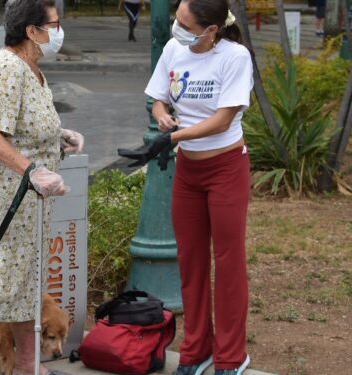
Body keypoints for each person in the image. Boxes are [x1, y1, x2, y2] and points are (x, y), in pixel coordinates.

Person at [122, 0, 254, 373]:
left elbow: (224, 119)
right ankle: (197, 350)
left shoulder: (234, 57)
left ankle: (232, 356)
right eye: (177, 19)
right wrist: (162, 115)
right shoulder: (173, 49)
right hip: (188, 174)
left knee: (228, 264)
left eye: (184, 23)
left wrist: (175, 136)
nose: (176, 28)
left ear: (211, 29)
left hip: (226, 168)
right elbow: (158, 99)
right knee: (190, 263)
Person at [0, 1, 84, 374]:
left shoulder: (31, 68)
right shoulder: (7, 68)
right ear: (32, 31)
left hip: (27, 201)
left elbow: (24, 126)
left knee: (25, 286)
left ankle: (27, 367)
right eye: (54, 25)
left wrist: (59, 139)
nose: (58, 32)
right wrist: (31, 170)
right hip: (1, 199)